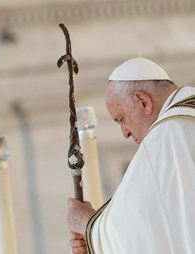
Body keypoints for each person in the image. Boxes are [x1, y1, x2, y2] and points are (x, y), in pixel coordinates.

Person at [67, 57, 195, 254]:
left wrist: (88, 226)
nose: (125, 132)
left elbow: (137, 227)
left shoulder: (167, 136)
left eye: (122, 119)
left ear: (143, 102)